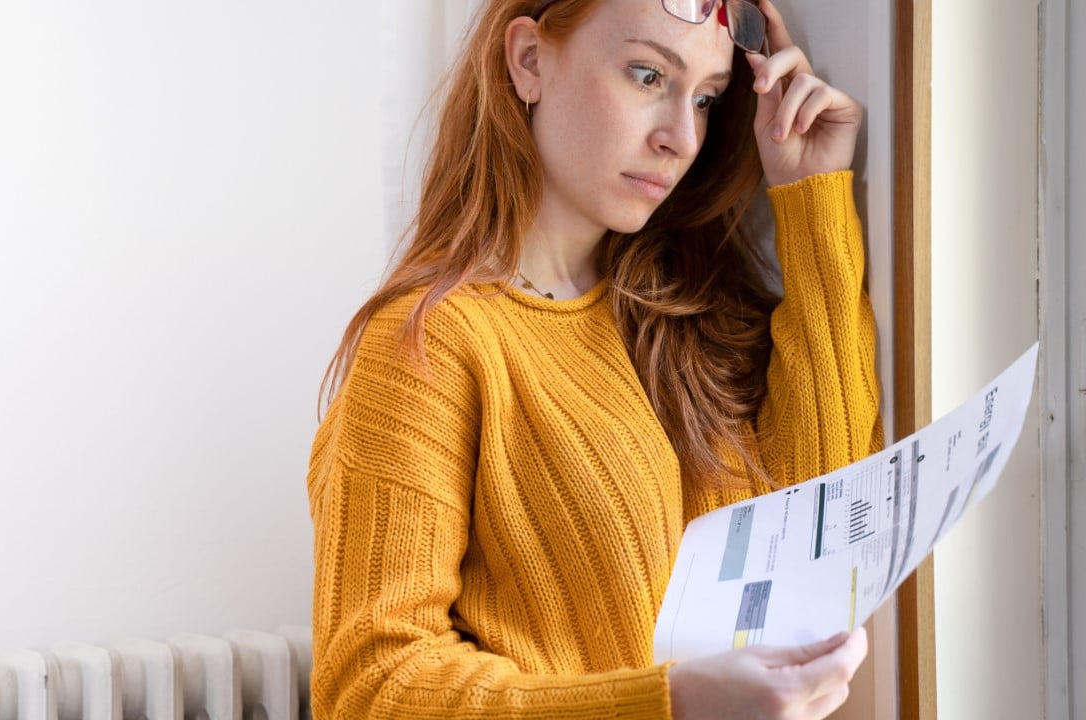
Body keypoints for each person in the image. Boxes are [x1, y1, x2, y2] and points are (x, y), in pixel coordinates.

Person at [306, 0, 883, 717]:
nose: (682, 136)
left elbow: (816, 526)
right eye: (648, 76)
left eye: (705, 99)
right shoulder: (432, 346)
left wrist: (809, 192)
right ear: (529, 62)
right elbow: (371, 685)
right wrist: (669, 703)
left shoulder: (696, 316)